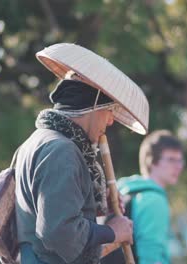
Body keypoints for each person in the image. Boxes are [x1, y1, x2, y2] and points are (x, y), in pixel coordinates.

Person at [15, 78, 134, 264]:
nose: (111, 121)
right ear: (93, 107)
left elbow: (54, 211)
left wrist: (99, 206)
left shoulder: (38, 140)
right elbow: (58, 231)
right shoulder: (61, 150)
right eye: (109, 110)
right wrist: (112, 231)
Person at [102, 130, 184, 264]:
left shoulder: (124, 191)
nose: (178, 167)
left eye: (180, 160)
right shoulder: (154, 200)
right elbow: (151, 255)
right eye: (171, 159)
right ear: (152, 161)